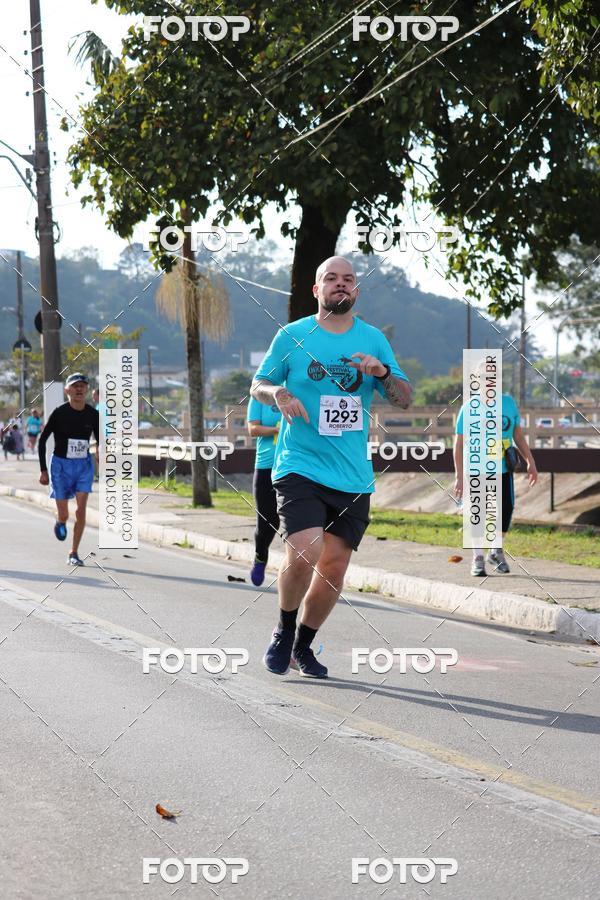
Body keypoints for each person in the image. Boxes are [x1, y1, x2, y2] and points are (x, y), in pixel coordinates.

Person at [250, 256, 411, 678]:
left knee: (335, 567)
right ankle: (283, 629)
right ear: (316, 289)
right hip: (300, 464)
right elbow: (258, 384)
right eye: (331, 278)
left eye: (349, 279)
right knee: (305, 551)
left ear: (356, 290)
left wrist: (382, 372)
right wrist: (278, 393)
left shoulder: (373, 339)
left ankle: (303, 645)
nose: (341, 284)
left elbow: (404, 398)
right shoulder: (292, 335)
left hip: (352, 473)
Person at [453, 391, 538, 576]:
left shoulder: (508, 403)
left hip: (502, 468)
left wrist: (530, 460)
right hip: (476, 468)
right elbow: (459, 444)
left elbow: (517, 435)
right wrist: (459, 476)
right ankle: (477, 558)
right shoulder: (469, 407)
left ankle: (495, 550)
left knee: (506, 507)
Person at [38, 373, 100, 566]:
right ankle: (61, 521)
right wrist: (43, 470)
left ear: (87, 390)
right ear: (67, 390)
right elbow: (42, 440)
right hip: (61, 466)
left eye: (82, 386)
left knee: (81, 511)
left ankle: (73, 552)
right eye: (75, 386)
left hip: (83, 466)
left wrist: (101, 455)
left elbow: (100, 440)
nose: (79, 389)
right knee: (64, 513)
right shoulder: (59, 413)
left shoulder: (93, 414)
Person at [247, 396, 282, 586]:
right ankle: (260, 557)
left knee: (299, 521)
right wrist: (277, 430)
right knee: (268, 522)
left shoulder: (297, 391)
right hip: (266, 465)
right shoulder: (258, 396)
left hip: (295, 466)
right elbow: (253, 429)